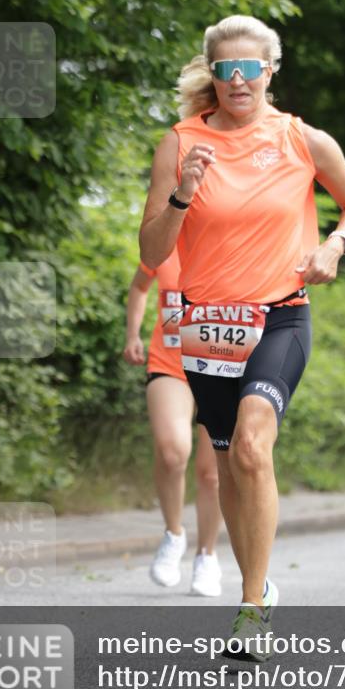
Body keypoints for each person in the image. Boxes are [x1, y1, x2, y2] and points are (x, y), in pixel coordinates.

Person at [139, 15, 345, 658]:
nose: (238, 80)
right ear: (212, 73)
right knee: (226, 467)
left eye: (251, 68)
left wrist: (335, 243)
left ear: (270, 70)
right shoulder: (180, 142)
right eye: (226, 69)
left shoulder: (300, 138)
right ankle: (259, 585)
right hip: (207, 325)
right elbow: (152, 247)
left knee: (250, 445)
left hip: (279, 315)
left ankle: (249, 612)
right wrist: (183, 195)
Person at [123, 246, 223, 595]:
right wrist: (132, 334)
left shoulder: (233, 244)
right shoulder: (164, 246)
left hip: (223, 365)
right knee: (172, 452)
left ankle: (207, 556)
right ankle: (173, 534)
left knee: (212, 472)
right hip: (169, 363)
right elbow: (139, 287)